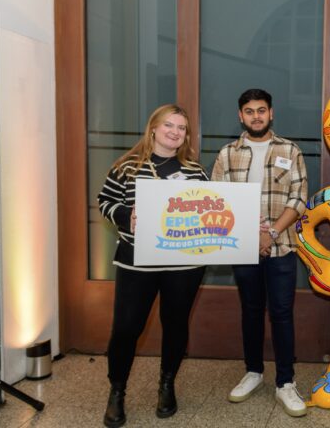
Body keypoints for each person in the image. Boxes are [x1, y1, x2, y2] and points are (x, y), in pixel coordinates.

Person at [97, 104, 208, 427]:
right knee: (126, 328)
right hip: (137, 262)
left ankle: (167, 384)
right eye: (169, 125)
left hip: (184, 263)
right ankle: (117, 391)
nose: (175, 132)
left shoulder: (195, 171)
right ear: (154, 128)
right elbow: (105, 201)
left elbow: (208, 211)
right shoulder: (127, 167)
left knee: (176, 324)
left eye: (182, 128)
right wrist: (125, 216)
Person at [211, 88, 308, 417]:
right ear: (241, 116)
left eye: (261, 110)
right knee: (251, 311)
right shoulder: (227, 154)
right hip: (242, 247)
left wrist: (271, 233)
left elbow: (299, 198)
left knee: (281, 313)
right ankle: (253, 371)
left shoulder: (290, 150)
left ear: (271, 113)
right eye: (250, 111)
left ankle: (286, 382)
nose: (256, 116)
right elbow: (217, 200)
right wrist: (250, 235)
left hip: (282, 246)